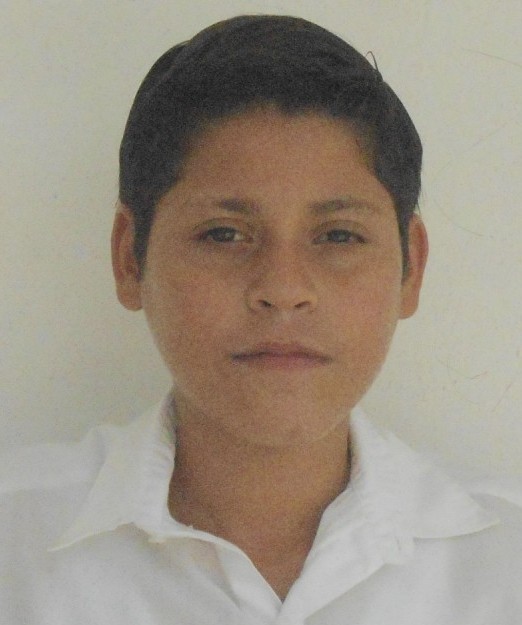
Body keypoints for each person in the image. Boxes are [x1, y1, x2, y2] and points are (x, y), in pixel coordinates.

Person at [1, 14, 521, 624]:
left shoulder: (502, 564)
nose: (283, 289)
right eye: (224, 233)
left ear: (412, 268)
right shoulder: (18, 547)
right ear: (128, 258)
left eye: (339, 235)